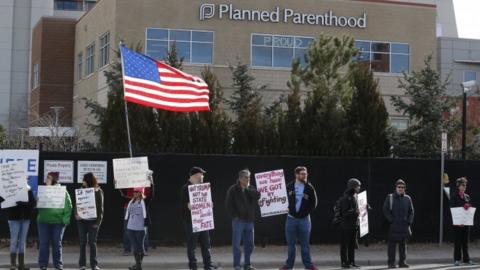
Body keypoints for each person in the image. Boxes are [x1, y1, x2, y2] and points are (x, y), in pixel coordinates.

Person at [280, 166, 318, 270]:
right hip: (291, 219)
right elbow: (280, 200)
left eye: (305, 174)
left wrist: (305, 213)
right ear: (296, 175)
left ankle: (308, 265)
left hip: (304, 220)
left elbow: (314, 203)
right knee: (291, 245)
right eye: (302, 174)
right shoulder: (289, 186)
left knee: (305, 245)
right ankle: (288, 266)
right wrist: (283, 208)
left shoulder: (309, 188)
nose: (304, 176)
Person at [180, 167, 218, 270]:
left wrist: (210, 205)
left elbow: (206, 201)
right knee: (192, 246)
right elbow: (182, 204)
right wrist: (187, 205)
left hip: (203, 221)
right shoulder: (186, 188)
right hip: (191, 222)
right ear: (195, 175)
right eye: (201, 174)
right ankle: (193, 266)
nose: (203, 176)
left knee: (206, 244)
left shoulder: (203, 187)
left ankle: (208, 265)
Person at [225, 169, 261, 270]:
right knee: (236, 244)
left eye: (249, 177)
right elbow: (228, 205)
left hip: (250, 221)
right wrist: (235, 216)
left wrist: (247, 188)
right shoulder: (233, 189)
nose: (248, 179)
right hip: (238, 221)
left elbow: (258, 195)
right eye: (246, 177)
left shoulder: (251, 188)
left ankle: (247, 264)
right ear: (240, 178)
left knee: (250, 244)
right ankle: (237, 265)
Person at [37, 172, 73, 270]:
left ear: (54, 180)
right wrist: (37, 202)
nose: (46, 180)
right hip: (43, 221)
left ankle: (58, 265)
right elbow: (38, 206)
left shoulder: (62, 192)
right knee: (44, 243)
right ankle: (43, 265)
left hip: (58, 222)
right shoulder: (42, 191)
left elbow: (68, 206)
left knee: (57, 243)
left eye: (48, 178)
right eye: (46, 178)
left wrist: (65, 220)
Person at [0, 181, 36, 270]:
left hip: (25, 218)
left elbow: (33, 204)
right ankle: (13, 264)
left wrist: (24, 202)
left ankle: (21, 265)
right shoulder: (9, 188)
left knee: (22, 241)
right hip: (13, 218)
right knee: (14, 240)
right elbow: (3, 200)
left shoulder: (28, 189)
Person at [75, 172, 104, 270]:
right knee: (82, 242)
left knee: (92, 242)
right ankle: (82, 265)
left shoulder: (98, 191)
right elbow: (76, 205)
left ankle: (94, 265)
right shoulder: (80, 190)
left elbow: (100, 208)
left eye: (84, 179)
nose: (82, 181)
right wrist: (76, 214)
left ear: (88, 181)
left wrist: (98, 222)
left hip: (93, 222)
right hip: (81, 221)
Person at [382, 179, 414, 269]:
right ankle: (391, 263)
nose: (401, 189)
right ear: (396, 188)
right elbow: (385, 209)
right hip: (393, 226)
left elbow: (412, 211)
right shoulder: (390, 197)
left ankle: (402, 262)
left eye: (403, 187)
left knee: (403, 246)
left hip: (404, 226)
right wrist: (391, 220)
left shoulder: (407, 198)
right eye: (399, 187)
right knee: (392, 246)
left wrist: (409, 222)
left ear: (405, 188)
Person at [449, 177, 474, 266]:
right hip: (458, 224)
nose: (464, 187)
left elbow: (469, 209)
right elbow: (452, 210)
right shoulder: (454, 196)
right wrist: (458, 222)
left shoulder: (467, 196)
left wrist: (468, 206)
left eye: (465, 185)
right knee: (458, 242)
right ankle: (457, 259)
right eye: (462, 185)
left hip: (466, 223)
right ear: (458, 186)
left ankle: (466, 259)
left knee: (465, 242)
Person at [337, 178, 361, 269]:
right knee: (344, 245)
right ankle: (344, 262)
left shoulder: (356, 196)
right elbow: (344, 213)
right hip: (345, 226)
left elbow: (358, 208)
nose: (359, 188)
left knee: (352, 244)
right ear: (353, 187)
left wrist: (365, 206)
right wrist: (356, 212)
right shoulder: (346, 198)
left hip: (354, 225)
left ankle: (351, 262)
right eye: (358, 186)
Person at [125, 187, 150, 270]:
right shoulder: (131, 201)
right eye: (134, 192)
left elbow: (152, 194)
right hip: (130, 228)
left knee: (140, 247)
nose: (134, 193)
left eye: (136, 192)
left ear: (140, 193)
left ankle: (138, 265)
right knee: (135, 247)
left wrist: (152, 182)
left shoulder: (144, 201)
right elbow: (122, 195)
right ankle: (138, 266)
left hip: (140, 228)